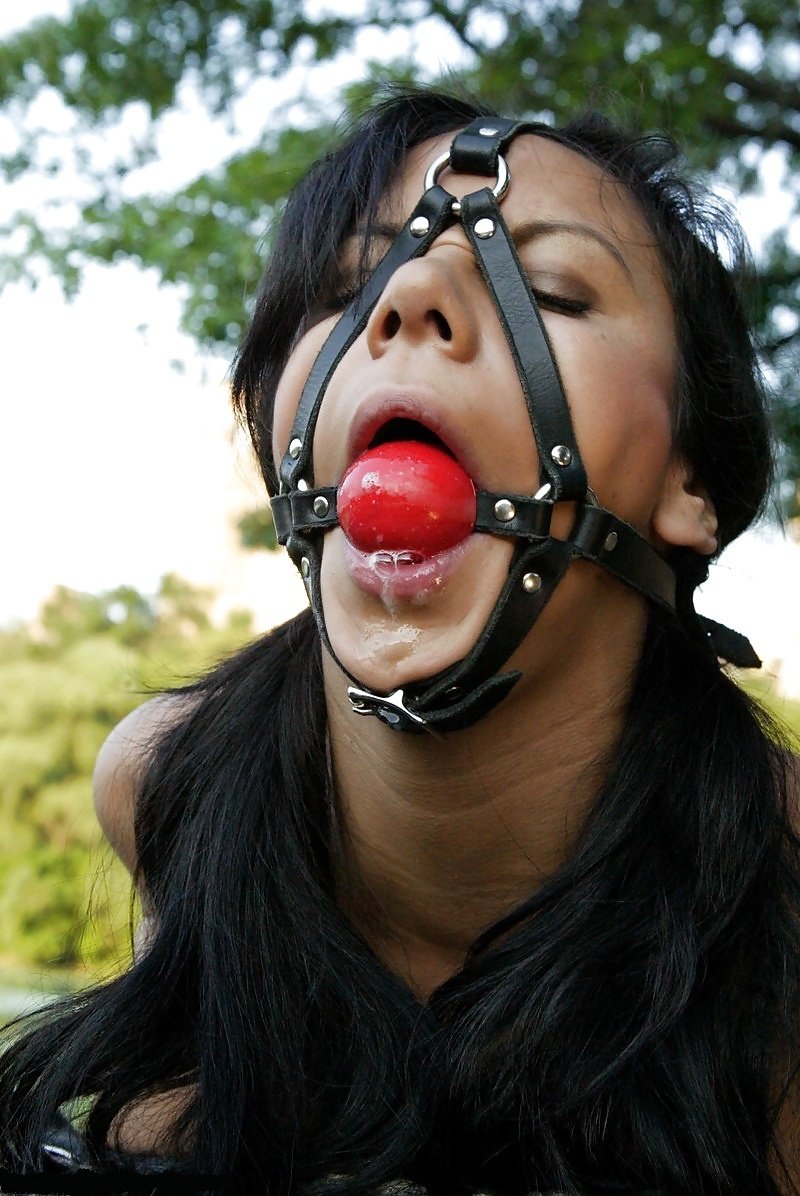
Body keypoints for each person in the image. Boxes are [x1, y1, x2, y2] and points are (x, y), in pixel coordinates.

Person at [1, 85, 798, 1195]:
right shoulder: (166, 787)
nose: (411, 293)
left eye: (554, 289)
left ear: (689, 482)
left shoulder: (781, 880)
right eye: (347, 289)